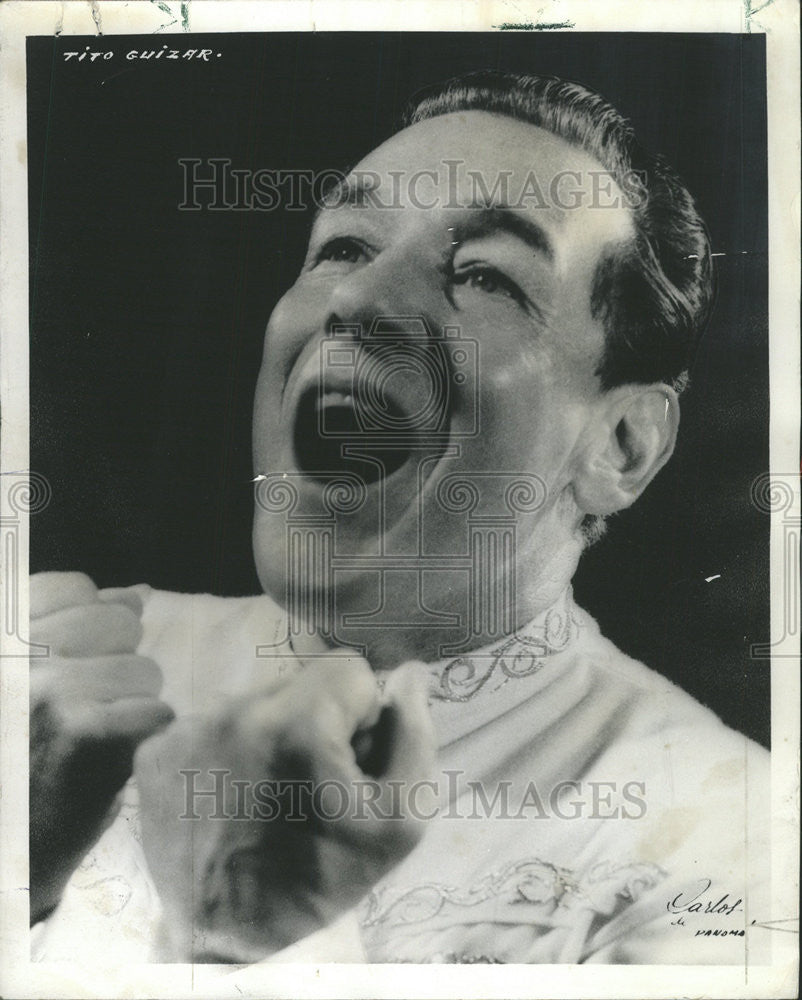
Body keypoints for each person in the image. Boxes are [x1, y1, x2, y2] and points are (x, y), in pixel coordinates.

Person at [30, 70, 769, 965]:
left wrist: (231, 945)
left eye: (486, 275)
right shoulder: (62, 680)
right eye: (343, 245)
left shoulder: (727, 839)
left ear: (621, 444)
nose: (356, 299)